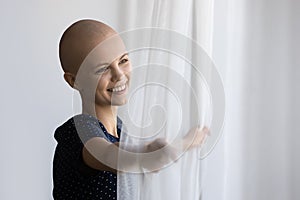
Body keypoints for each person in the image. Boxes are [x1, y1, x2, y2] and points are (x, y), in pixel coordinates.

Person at [52, 19, 209, 200]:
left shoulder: (121, 130)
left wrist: (184, 144)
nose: (119, 74)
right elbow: (109, 154)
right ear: (74, 81)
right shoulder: (78, 132)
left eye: (123, 60)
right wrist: (148, 153)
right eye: (103, 69)